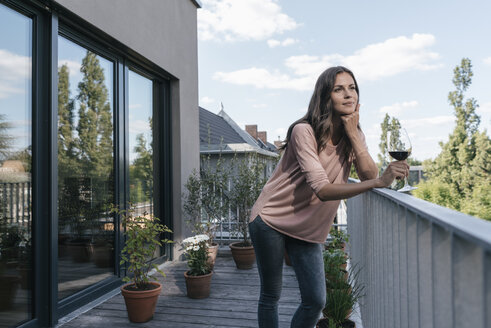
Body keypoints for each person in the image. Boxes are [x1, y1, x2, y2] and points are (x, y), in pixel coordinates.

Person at [248, 66, 409, 328]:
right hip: (271, 219)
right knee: (270, 295)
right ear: (325, 96)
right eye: (339, 89)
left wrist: (354, 135)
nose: (349, 95)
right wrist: (380, 182)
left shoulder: (354, 135)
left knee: (315, 300)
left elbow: (369, 174)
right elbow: (322, 190)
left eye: (352, 88)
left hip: (308, 227)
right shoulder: (304, 131)